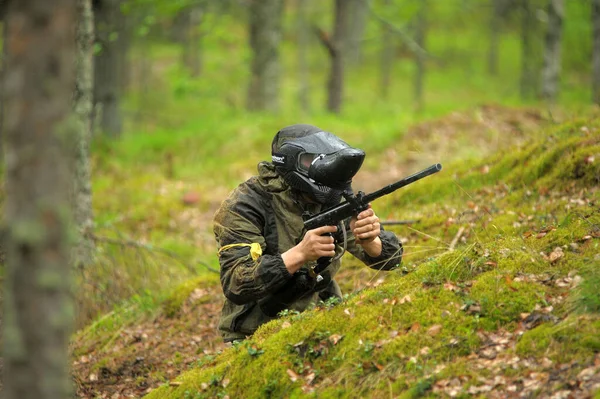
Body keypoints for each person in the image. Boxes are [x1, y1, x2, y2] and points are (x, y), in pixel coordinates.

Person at [213, 124, 403, 343]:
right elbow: (237, 282)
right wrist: (300, 254)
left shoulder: (329, 198)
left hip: (320, 322)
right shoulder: (245, 204)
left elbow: (393, 260)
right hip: (253, 334)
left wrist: (371, 241)